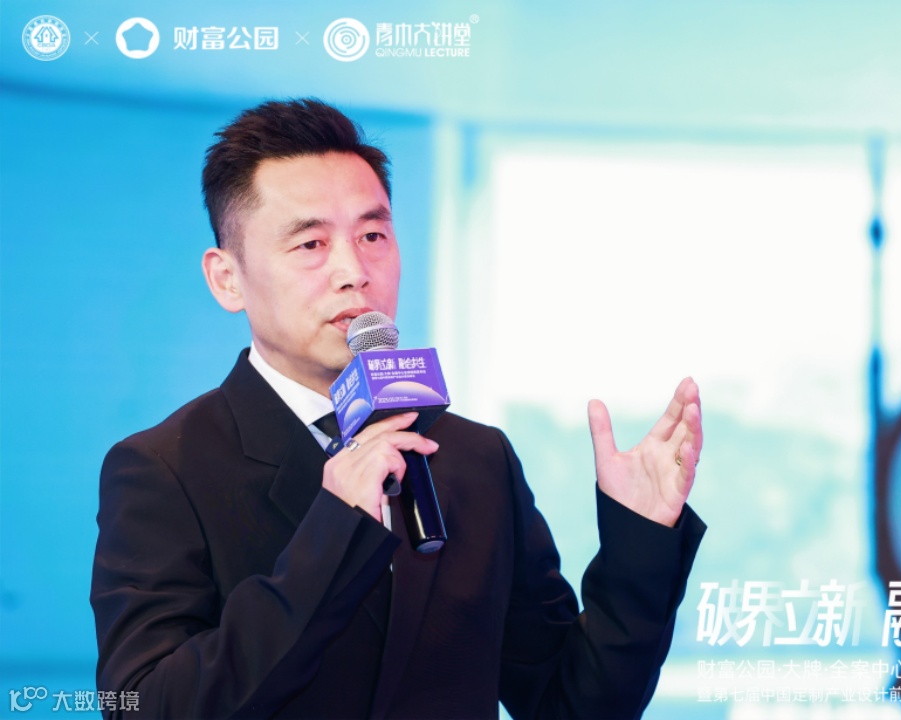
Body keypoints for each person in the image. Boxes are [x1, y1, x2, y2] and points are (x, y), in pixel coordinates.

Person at [90, 98, 706, 719]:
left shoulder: (476, 458)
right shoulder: (163, 469)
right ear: (228, 279)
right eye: (310, 243)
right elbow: (141, 707)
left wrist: (640, 541)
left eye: (373, 236)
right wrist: (337, 530)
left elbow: (569, 705)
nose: (354, 271)